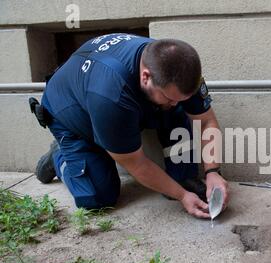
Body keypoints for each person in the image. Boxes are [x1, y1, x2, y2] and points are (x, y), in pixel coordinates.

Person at [34, 33, 229, 219]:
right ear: (146, 77)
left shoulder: (179, 69)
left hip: (112, 100)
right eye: (171, 97)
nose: (176, 103)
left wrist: (212, 172)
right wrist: (183, 196)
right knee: (98, 198)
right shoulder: (111, 97)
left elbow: (206, 121)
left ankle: (181, 175)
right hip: (71, 116)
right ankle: (59, 157)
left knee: (174, 111)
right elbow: (137, 164)